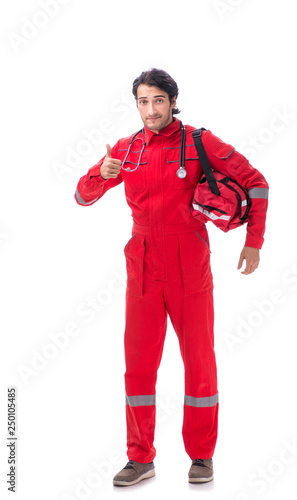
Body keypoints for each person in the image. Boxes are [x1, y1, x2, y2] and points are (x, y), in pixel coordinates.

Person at [74, 68, 269, 486]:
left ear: (172, 101)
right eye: (143, 101)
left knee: (199, 361)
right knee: (138, 367)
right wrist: (101, 175)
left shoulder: (199, 142)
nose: (150, 109)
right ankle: (139, 457)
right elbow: (81, 195)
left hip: (188, 263)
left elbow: (256, 181)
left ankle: (202, 456)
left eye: (158, 100)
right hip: (142, 265)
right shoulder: (126, 150)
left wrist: (254, 241)